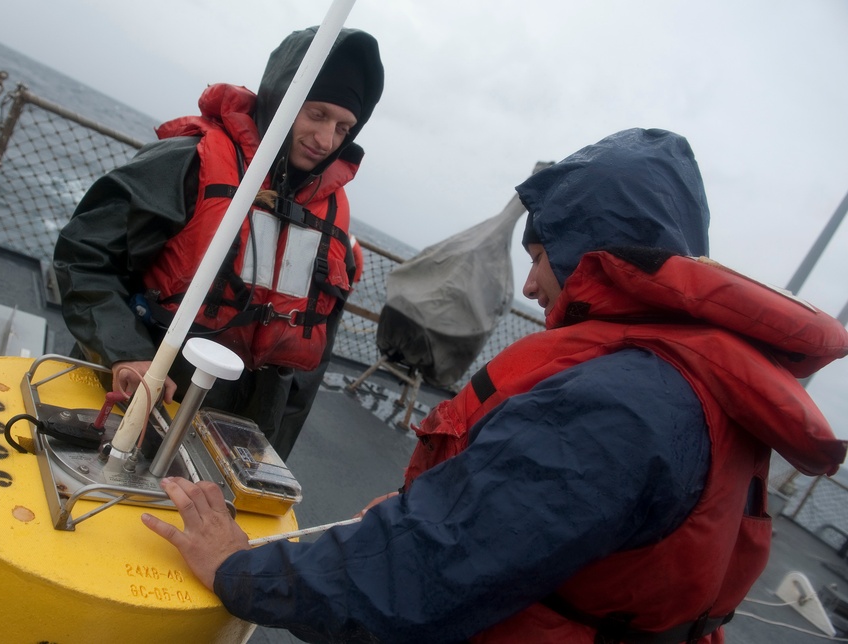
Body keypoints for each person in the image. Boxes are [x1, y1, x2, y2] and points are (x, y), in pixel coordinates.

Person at [140, 128, 848, 643]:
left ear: (593, 254)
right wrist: (461, 501)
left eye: (541, 256)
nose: (532, 285)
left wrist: (241, 569)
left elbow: (422, 572)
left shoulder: (617, 403)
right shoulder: (689, 378)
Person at [53, 27, 384, 460]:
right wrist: (126, 352)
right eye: (316, 114)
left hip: (235, 435)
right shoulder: (188, 161)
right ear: (284, 96)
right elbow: (84, 257)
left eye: (343, 127)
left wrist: (269, 459)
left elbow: (307, 370)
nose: (326, 140)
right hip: (138, 393)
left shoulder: (333, 227)